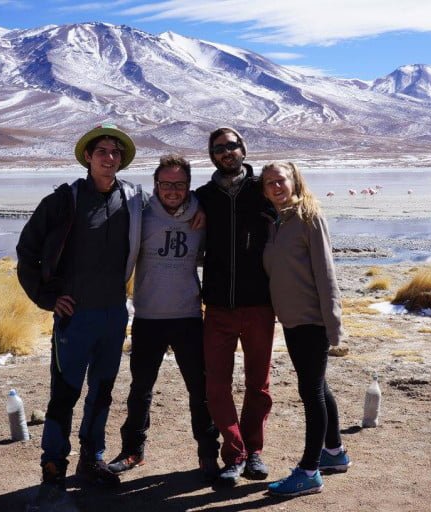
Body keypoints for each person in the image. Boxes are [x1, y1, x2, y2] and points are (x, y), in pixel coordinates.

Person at [16, 123, 145, 496]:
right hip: (75, 317)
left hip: (114, 314)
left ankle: (92, 459)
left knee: (102, 391)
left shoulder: (133, 200)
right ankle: (53, 464)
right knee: (65, 393)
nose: (109, 157)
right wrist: (47, 298)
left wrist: (196, 213)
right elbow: (27, 250)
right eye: (102, 151)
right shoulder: (64, 200)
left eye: (115, 152)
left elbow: (171, 210)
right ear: (88, 157)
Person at [107, 155, 220, 480]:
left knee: (200, 389)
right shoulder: (141, 214)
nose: (172, 190)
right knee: (140, 388)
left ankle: (208, 454)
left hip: (188, 316)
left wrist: (205, 213)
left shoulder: (203, 213)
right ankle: (132, 451)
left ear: (189, 186)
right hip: (148, 316)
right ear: (156, 185)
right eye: (166, 184)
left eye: (179, 184)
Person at [260, 162, 351, 497]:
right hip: (292, 321)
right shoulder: (276, 221)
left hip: (312, 321)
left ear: (294, 180)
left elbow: (326, 274)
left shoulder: (309, 217)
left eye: (280, 180)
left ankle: (309, 471)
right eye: (269, 182)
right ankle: (334, 452)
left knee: (311, 392)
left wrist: (334, 326)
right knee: (318, 386)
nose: (275, 186)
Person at [195, 127, 275, 486]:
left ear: (243, 149)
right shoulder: (203, 197)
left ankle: (254, 451)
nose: (226, 152)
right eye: (219, 148)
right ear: (212, 156)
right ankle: (235, 453)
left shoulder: (262, 191)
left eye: (231, 146)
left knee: (258, 384)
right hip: (218, 308)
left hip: (259, 305)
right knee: (216, 385)